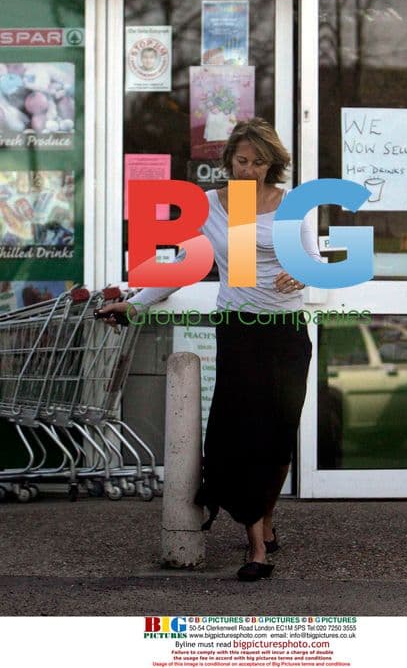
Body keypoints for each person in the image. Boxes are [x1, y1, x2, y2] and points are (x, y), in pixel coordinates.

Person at [99, 118, 321, 582]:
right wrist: (136, 305)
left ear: (273, 164)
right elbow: (184, 267)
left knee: (278, 437)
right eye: (242, 160)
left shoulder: (290, 205)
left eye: (259, 162)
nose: (249, 169)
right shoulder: (214, 206)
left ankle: (265, 516)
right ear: (228, 161)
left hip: (285, 332)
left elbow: (315, 262)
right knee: (242, 434)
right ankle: (257, 546)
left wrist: (300, 272)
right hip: (239, 332)